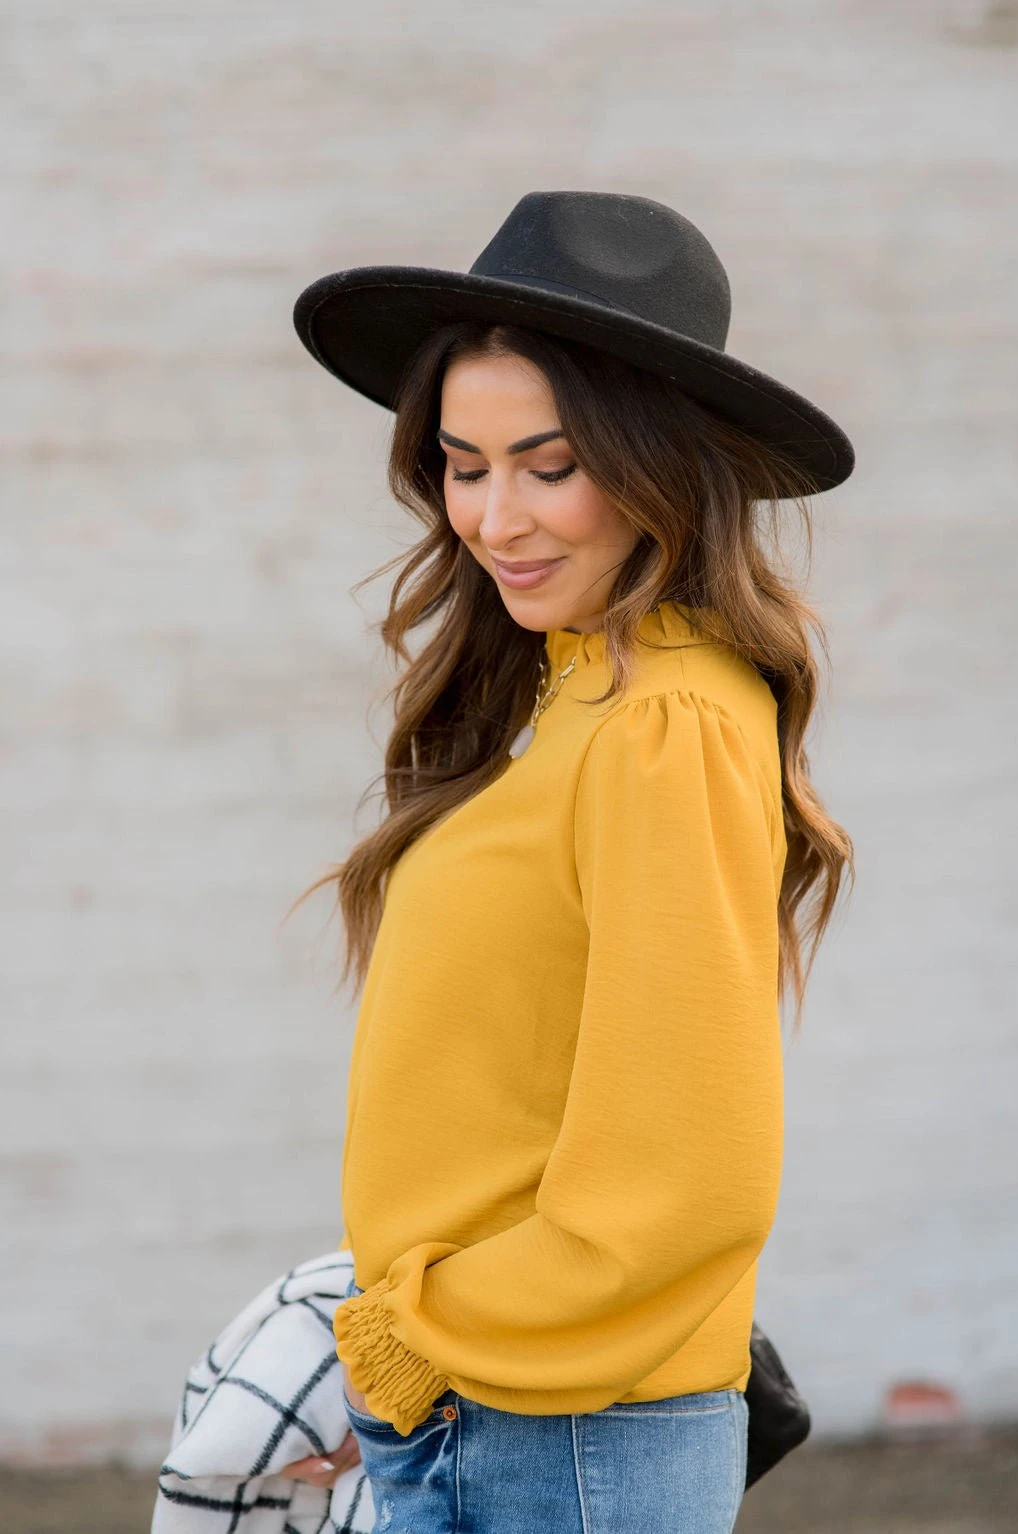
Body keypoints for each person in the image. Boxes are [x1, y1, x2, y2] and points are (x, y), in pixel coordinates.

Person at [278, 190, 855, 1532]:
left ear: (662, 465)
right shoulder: (574, 690)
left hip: (563, 1434)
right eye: (463, 465)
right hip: (498, 1412)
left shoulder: (664, 721)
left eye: (550, 466)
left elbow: (684, 1182)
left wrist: (412, 1341)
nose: (494, 520)